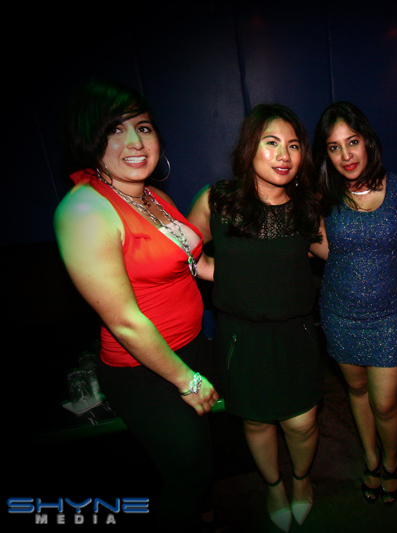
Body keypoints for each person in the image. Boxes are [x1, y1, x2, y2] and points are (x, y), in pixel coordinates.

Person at [54, 79, 218, 532]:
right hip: (146, 371)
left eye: (143, 127)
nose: (135, 142)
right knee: (187, 477)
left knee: (202, 459)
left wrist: (267, 269)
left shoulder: (153, 196)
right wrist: (186, 381)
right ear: (90, 140)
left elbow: (197, 264)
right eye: (115, 129)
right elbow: (124, 321)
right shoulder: (85, 212)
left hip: (192, 346)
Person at [188, 104, 327, 532]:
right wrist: (217, 271)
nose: (284, 155)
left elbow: (333, 253)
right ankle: (273, 487)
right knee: (256, 421)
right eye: (272, 143)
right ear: (250, 149)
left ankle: (301, 480)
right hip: (240, 337)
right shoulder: (218, 201)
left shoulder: (306, 207)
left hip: (296, 334)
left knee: (302, 422)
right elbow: (185, 251)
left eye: (293, 146)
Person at [312, 101, 397, 506]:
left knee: (385, 403)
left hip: (391, 315)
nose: (346, 155)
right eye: (334, 147)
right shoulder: (323, 196)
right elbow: (323, 249)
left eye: (352, 141)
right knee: (356, 393)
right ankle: (371, 459)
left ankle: (391, 461)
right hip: (340, 314)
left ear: (368, 141)